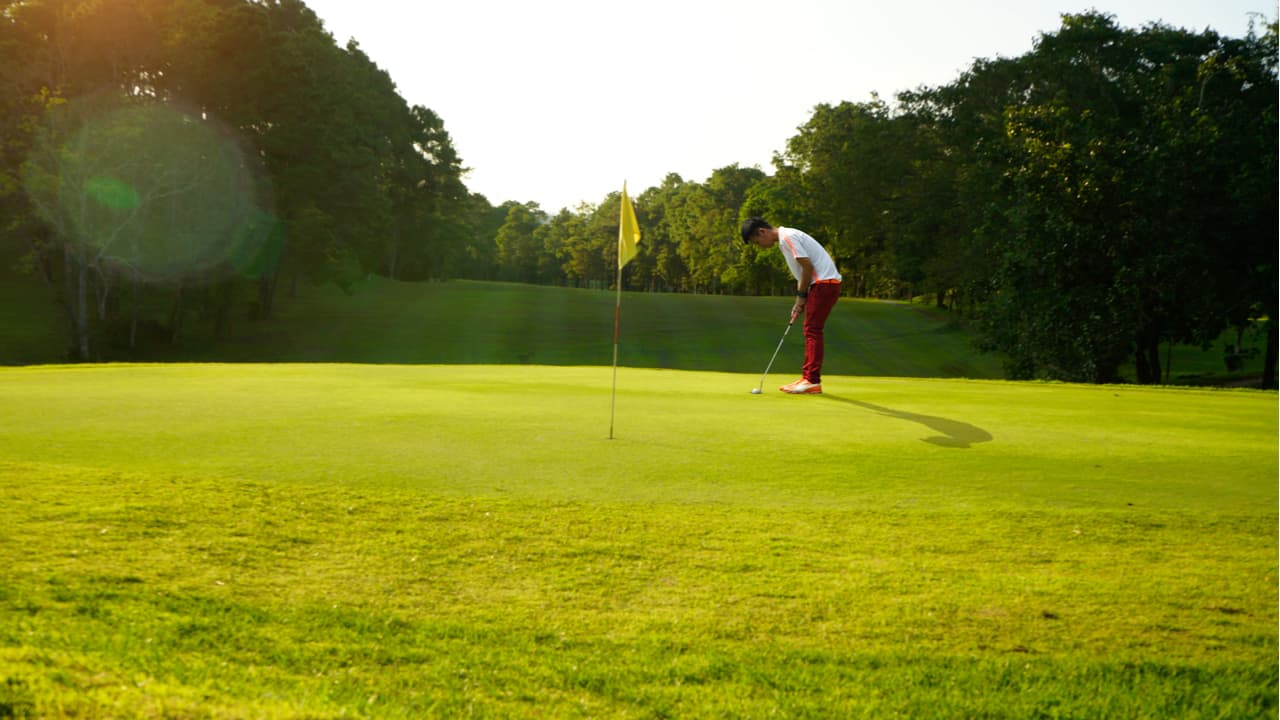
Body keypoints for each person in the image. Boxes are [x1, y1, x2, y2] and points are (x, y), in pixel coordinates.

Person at [740, 217, 842, 394]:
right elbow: (802, 272)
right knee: (811, 328)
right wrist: (800, 302)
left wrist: (801, 298)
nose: (761, 246)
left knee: (812, 329)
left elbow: (808, 268)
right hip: (820, 284)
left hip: (824, 284)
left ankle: (812, 380)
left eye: (758, 242)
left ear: (762, 232)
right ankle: (807, 377)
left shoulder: (788, 237)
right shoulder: (785, 240)